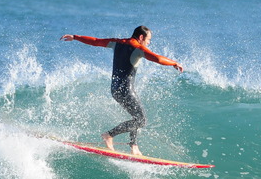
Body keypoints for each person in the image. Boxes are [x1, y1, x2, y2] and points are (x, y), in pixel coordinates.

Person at [61, 26, 183, 156]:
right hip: (126, 90)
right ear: (141, 37)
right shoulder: (138, 48)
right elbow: (158, 59)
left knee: (136, 117)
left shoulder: (117, 42)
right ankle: (109, 135)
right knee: (141, 120)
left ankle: (133, 145)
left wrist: (75, 37)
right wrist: (174, 63)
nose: (149, 42)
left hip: (115, 90)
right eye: (148, 39)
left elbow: (96, 41)